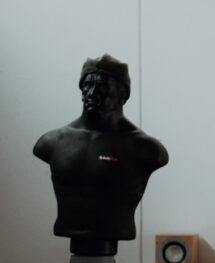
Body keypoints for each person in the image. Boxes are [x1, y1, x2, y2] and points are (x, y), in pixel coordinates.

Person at [34, 54, 169, 251]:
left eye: (103, 86)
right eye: (87, 85)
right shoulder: (53, 141)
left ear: (122, 95)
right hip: (68, 229)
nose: (92, 93)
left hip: (114, 232)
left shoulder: (145, 148)